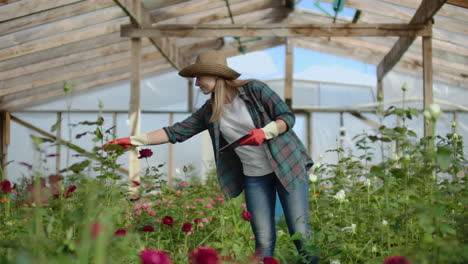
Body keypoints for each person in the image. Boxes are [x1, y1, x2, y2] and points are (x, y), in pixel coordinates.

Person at [104, 50, 319, 263]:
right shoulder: (209, 111)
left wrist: (265, 132)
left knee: (299, 233)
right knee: (262, 242)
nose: (197, 83)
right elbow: (176, 132)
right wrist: (133, 140)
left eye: (200, 77)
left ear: (216, 75)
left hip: (287, 166)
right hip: (255, 176)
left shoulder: (254, 90)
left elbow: (287, 117)